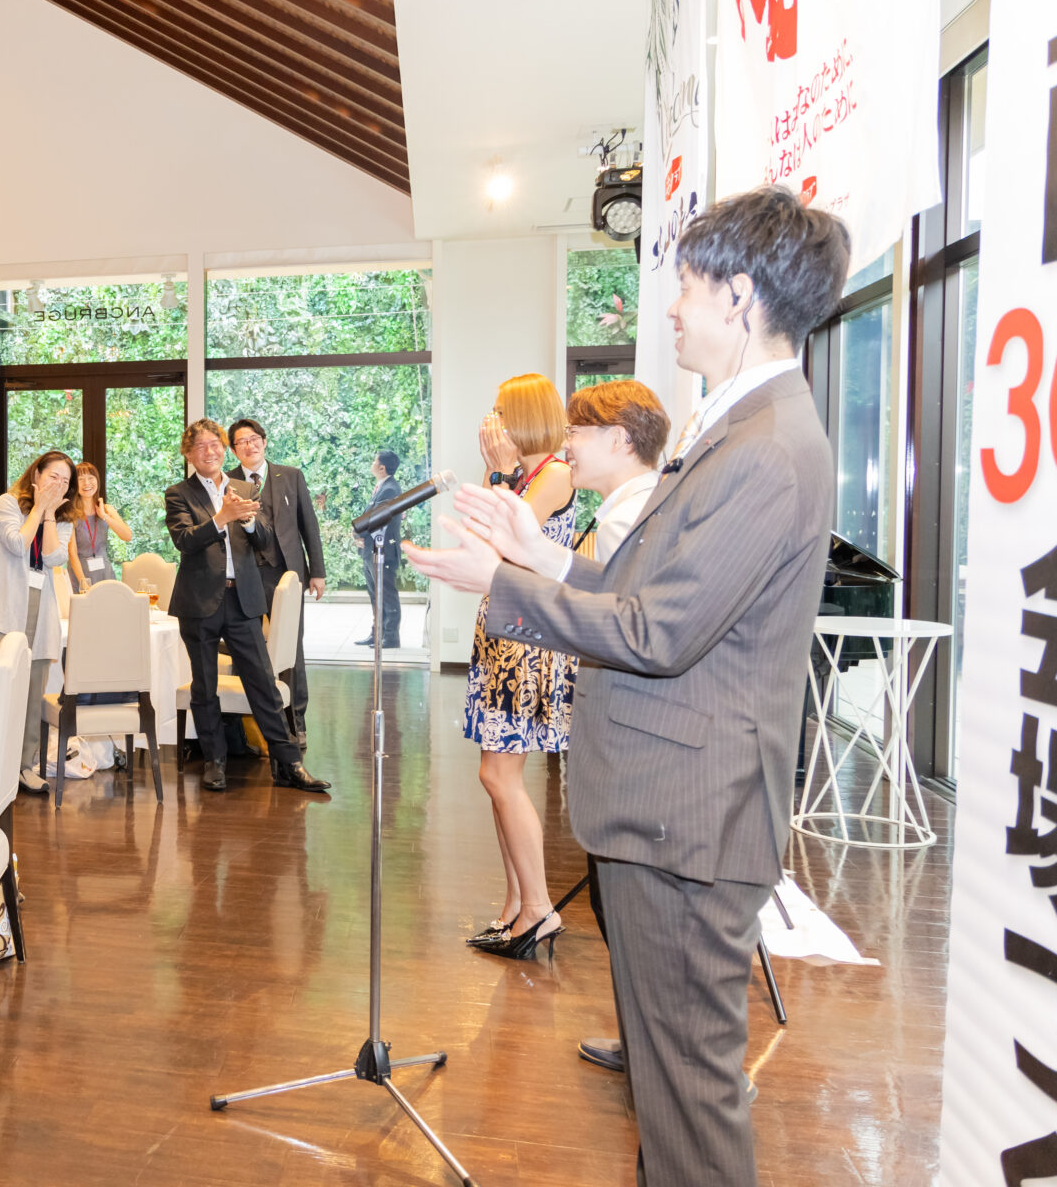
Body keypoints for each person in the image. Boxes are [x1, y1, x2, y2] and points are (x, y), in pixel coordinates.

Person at [406, 185, 849, 1187]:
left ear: (739, 294)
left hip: (687, 819)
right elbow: (652, 591)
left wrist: (503, 585)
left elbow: (659, 632)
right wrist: (542, 557)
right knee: (666, 1091)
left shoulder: (767, 449)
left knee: (688, 1107)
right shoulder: (737, 429)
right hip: (670, 810)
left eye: (686, 284)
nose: (672, 307)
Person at [547, 379, 670, 1076]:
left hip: (628, 739)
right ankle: (648, 1040)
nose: (566, 445)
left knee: (626, 907)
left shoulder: (628, 518)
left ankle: (655, 1048)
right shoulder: (641, 503)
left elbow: (624, 631)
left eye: (576, 432)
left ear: (618, 439)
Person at [459, 373, 577, 962]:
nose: (494, 422)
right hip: (503, 632)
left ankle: (539, 909)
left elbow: (506, 543)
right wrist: (499, 474)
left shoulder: (554, 474)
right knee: (494, 777)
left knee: (501, 777)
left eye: (502, 412)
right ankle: (515, 904)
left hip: (528, 641)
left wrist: (502, 473)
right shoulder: (523, 475)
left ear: (526, 416)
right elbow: (482, 539)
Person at [165, 419, 328, 794]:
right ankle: (215, 761)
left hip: (243, 600)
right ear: (189, 454)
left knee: (264, 683)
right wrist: (221, 518)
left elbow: (265, 539)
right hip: (199, 603)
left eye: (215, 444)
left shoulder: (242, 487)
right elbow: (184, 540)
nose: (210, 451)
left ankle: (289, 764)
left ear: (224, 449)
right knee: (205, 687)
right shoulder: (179, 494)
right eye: (200, 446)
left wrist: (252, 522)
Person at [0, 449, 73, 795]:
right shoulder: (7, 504)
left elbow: (53, 557)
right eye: (53, 477)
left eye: (65, 481)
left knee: (32, 695)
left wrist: (50, 515)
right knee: (1, 692)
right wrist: (39, 508)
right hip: (1, 610)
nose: (58, 485)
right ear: (36, 475)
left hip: (40, 611)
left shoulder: (64, 519)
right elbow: (17, 544)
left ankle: (24, 767)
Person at [229, 417, 325, 745]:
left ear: (264, 441)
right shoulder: (227, 482)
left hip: (285, 572)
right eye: (242, 441)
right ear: (234, 450)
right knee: (245, 646)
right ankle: (247, 725)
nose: (250, 445)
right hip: (244, 574)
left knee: (290, 646)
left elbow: (308, 524)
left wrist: (317, 571)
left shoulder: (291, 476)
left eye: (254, 439)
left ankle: (296, 720)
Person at [355, 451, 403, 647]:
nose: (372, 464)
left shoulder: (390, 489)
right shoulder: (382, 487)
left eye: (374, 461)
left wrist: (359, 534)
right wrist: (359, 536)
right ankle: (377, 633)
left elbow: (378, 519)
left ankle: (390, 637)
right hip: (372, 550)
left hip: (383, 551)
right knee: (375, 594)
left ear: (382, 467)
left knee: (386, 595)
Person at [66, 460, 132, 593]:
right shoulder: (70, 514)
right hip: (81, 576)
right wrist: (84, 584)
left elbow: (127, 536)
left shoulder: (107, 509)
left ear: (97, 480)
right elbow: (72, 553)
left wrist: (104, 516)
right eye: (81, 479)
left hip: (105, 574)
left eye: (91, 478)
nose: (87, 483)